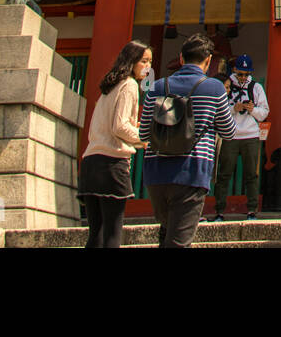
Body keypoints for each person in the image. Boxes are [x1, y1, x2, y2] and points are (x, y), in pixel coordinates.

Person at [138, 33, 236, 248]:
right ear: (209, 60)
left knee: (166, 236)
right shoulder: (215, 89)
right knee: (179, 242)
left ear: (181, 58)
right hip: (192, 171)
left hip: (156, 173)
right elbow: (229, 132)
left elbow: (144, 134)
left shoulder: (157, 87)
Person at [79, 40, 150, 248]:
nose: (148, 66)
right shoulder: (129, 85)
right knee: (112, 232)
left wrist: (134, 135)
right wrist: (143, 137)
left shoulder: (108, 87)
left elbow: (105, 127)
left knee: (96, 234)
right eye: (144, 61)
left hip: (91, 161)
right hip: (112, 164)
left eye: (150, 62)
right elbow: (119, 127)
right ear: (132, 61)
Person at [212, 54, 269, 222]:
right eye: (240, 74)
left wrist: (252, 110)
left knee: (251, 174)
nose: (243, 77)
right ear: (234, 70)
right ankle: (219, 211)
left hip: (250, 134)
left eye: (246, 74)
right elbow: (219, 110)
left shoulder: (256, 87)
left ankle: (252, 210)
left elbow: (264, 112)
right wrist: (234, 109)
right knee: (224, 174)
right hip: (230, 134)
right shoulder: (226, 85)